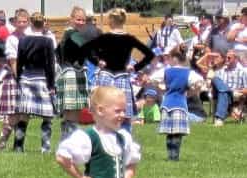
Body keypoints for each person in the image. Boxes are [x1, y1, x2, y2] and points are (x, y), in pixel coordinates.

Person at [84, 8, 154, 132]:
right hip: (122, 78)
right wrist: (135, 67)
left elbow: (86, 49)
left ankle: (105, 139)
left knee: (104, 113)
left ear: (111, 20)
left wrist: (97, 62)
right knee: (124, 116)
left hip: (106, 77)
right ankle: (124, 140)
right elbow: (149, 54)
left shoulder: (105, 38)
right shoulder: (129, 39)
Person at [15, 12, 57, 153]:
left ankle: (18, 146)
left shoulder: (23, 40)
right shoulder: (48, 41)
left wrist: (18, 78)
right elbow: (50, 65)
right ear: (43, 24)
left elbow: (19, 62)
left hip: (26, 78)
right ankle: (45, 147)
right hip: (42, 79)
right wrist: (51, 85)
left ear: (31, 23)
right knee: (47, 115)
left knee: (24, 114)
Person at [152, 45, 203, 161]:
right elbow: (199, 82)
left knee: (169, 133)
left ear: (174, 58)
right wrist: (191, 92)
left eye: (169, 57)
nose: (168, 60)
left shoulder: (166, 71)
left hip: (167, 104)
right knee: (177, 134)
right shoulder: (188, 73)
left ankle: (171, 156)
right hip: (180, 104)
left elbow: (153, 79)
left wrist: (161, 89)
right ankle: (175, 157)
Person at [56, 7, 94, 140]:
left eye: (83, 20)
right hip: (71, 73)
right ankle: (68, 139)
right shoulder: (71, 33)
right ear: (71, 19)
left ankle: (66, 139)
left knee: (74, 111)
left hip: (75, 72)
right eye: (78, 19)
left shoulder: (72, 34)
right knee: (72, 110)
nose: (81, 22)